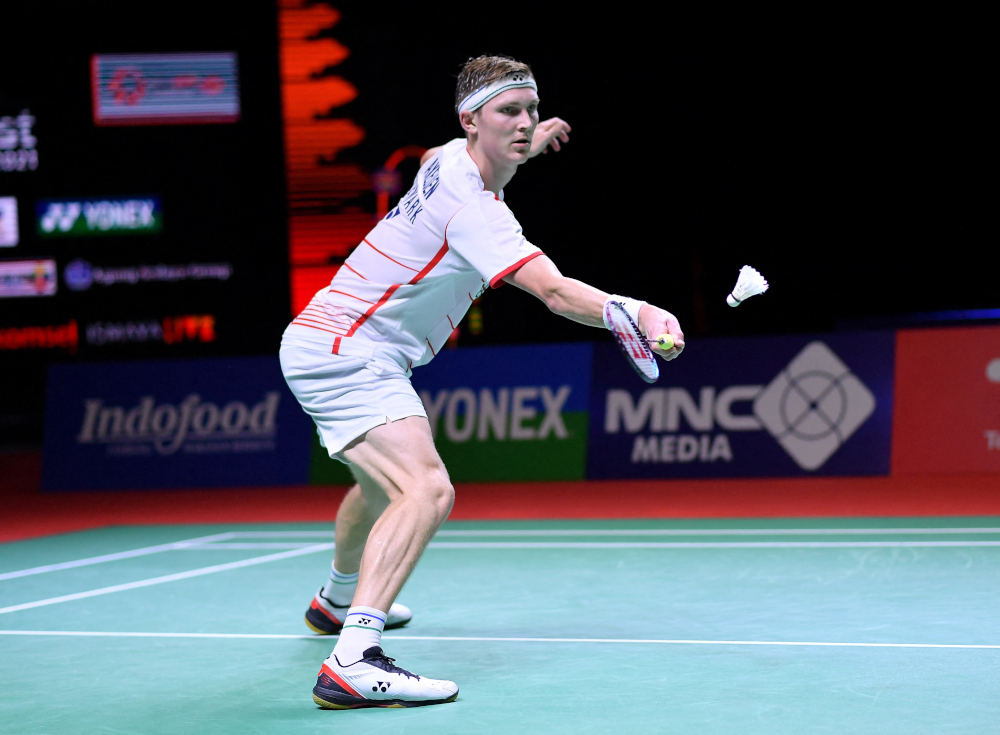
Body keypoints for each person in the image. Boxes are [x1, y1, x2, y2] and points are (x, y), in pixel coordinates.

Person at [279, 54, 685, 710]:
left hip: (332, 340)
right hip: (349, 348)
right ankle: (354, 658)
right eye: (509, 113)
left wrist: (526, 142)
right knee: (427, 487)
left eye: (531, 111)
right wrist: (631, 310)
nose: (524, 123)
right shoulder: (475, 211)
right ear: (471, 121)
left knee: (379, 484)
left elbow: (494, 151)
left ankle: (332, 600)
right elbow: (552, 291)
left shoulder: (445, 157)